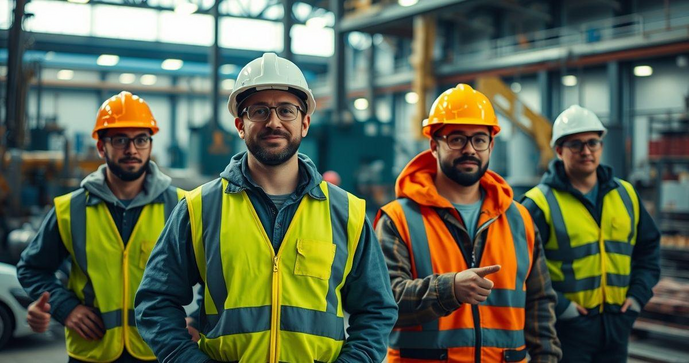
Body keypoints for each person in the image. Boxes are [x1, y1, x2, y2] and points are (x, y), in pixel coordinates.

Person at [134, 53, 397, 363]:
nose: (273, 122)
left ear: (305, 123)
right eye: (259, 111)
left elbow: (376, 310)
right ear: (240, 125)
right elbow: (155, 302)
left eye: (286, 110)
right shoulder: (199, 207)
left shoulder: (347, 212)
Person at [375, 84, 561, 362]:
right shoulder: (398, 219)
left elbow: (540, 304)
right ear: (434, 146)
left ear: (491, 145)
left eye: (479, 140)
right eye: (457, 139)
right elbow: (383, 302)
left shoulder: (519, 219)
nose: (470, 149)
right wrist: (449, 290)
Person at [17, 91, 186, 363]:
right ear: (101, 147)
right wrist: (64, 307)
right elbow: (32, 268)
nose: (132, 150)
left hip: (160, 350)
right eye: (120, 140)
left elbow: (215, 272)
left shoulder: (181, 205)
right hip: (92, 352)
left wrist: (198, 318)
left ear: (150, 145)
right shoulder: (69, 209)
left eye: (141, 139)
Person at [521, 105, 660, 362]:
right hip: (566, 328)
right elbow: (522, 270)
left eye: (593, 142)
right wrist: (563, 308)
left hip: (618, 323)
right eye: (576, 144)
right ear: (559, 150)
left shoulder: (626, 194)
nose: (586, 151)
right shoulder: (538, 204)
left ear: (601, 146)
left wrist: (638, 296)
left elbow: (649, 249)